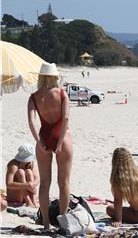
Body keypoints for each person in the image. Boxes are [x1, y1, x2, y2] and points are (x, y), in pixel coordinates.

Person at [27, 62, 73, 229]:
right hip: (63, 136)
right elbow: (66, 118)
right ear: (55, 77)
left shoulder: (34, 97)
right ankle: (62, 222)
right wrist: (60, 142)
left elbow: (31, 122)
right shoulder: (61, 93)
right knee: (64, 183)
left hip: (44, 137)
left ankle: (46, 223)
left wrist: (39, 142)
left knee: (45, 183)